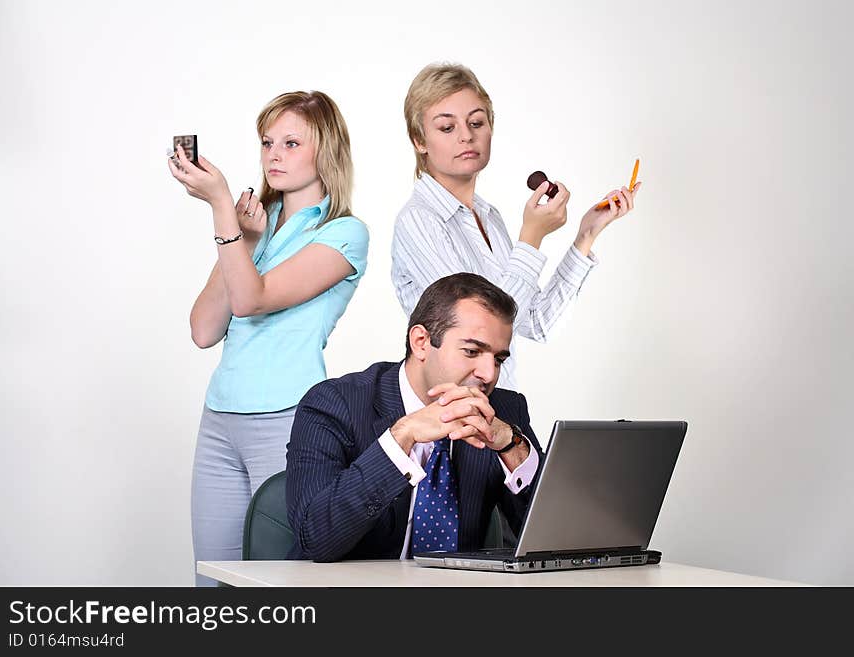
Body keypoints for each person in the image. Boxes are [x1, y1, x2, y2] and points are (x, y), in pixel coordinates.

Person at [167, 91, 369, 585]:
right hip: (220, 420)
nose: (274, 154)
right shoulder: (257, 224)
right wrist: (248, 238)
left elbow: (251, 301)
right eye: (267, 142)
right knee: (212, 585)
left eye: (291, 143)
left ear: (326, 151)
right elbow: (203, 329)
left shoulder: (344, 233)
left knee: (277, 586)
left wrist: (219, 206)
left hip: (285, 424)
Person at [391, 63, 641, 389]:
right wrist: (531, 236)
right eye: (447, 128)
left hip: (499, 410)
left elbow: (535, 323)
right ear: (419, 140)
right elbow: (479, 326)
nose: (466, 135)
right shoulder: (418, 221)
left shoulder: (489, 218)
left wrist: (586, 235)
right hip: (450, 414)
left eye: (476, 122)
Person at [286, 273, 542, 562]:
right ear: (421, 341)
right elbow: (315, 539)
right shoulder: (334, 403)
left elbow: (552, 540)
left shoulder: (504, 411)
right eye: (472, 351)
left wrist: (511, 445)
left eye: (498, 359)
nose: (489, 374)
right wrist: (401, 437)